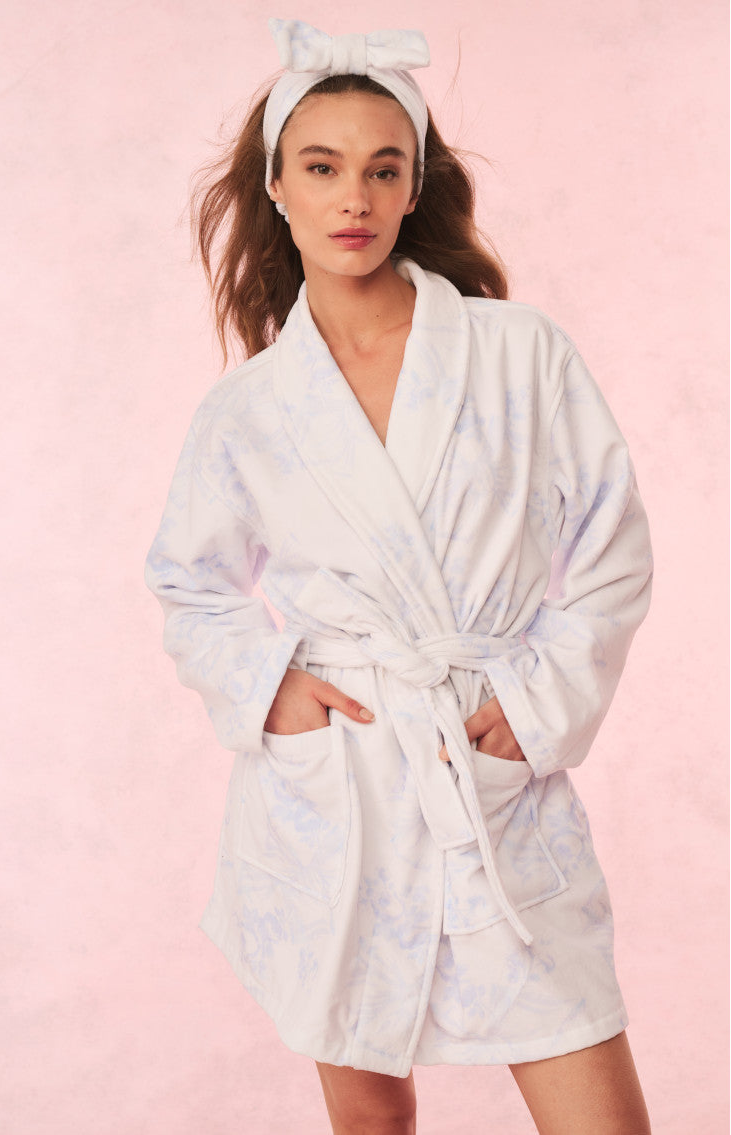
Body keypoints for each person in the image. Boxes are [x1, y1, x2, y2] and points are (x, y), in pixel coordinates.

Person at [145, 18, 653, 1134]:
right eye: (322, 167)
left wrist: (534, 699)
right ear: (276, 187)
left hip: (483, 762)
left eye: (384, 169)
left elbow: (610, 544)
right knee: (372, 1118)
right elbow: (191, 582)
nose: (354, 198)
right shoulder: (249, 410)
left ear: (415, 187)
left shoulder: (519, 354)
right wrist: (272, 687)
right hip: (344, 786)